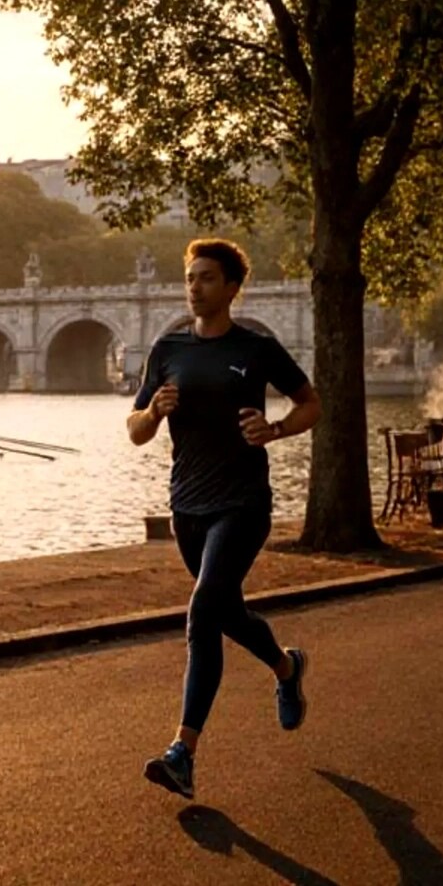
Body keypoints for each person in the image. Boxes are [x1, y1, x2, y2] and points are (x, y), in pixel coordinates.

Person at [130, 238, 321, 800]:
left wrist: (277, 430)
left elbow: (310, 402)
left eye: (208, 278)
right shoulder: (166, 349)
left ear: (233, 287)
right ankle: (287, 668)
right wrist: (153, 411)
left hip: (242, 504)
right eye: (190, 277)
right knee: (226, 613)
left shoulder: (257, 348)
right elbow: (136, 431)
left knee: (202, 611)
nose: (195, 287)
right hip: (187, 506)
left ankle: (182, 752)